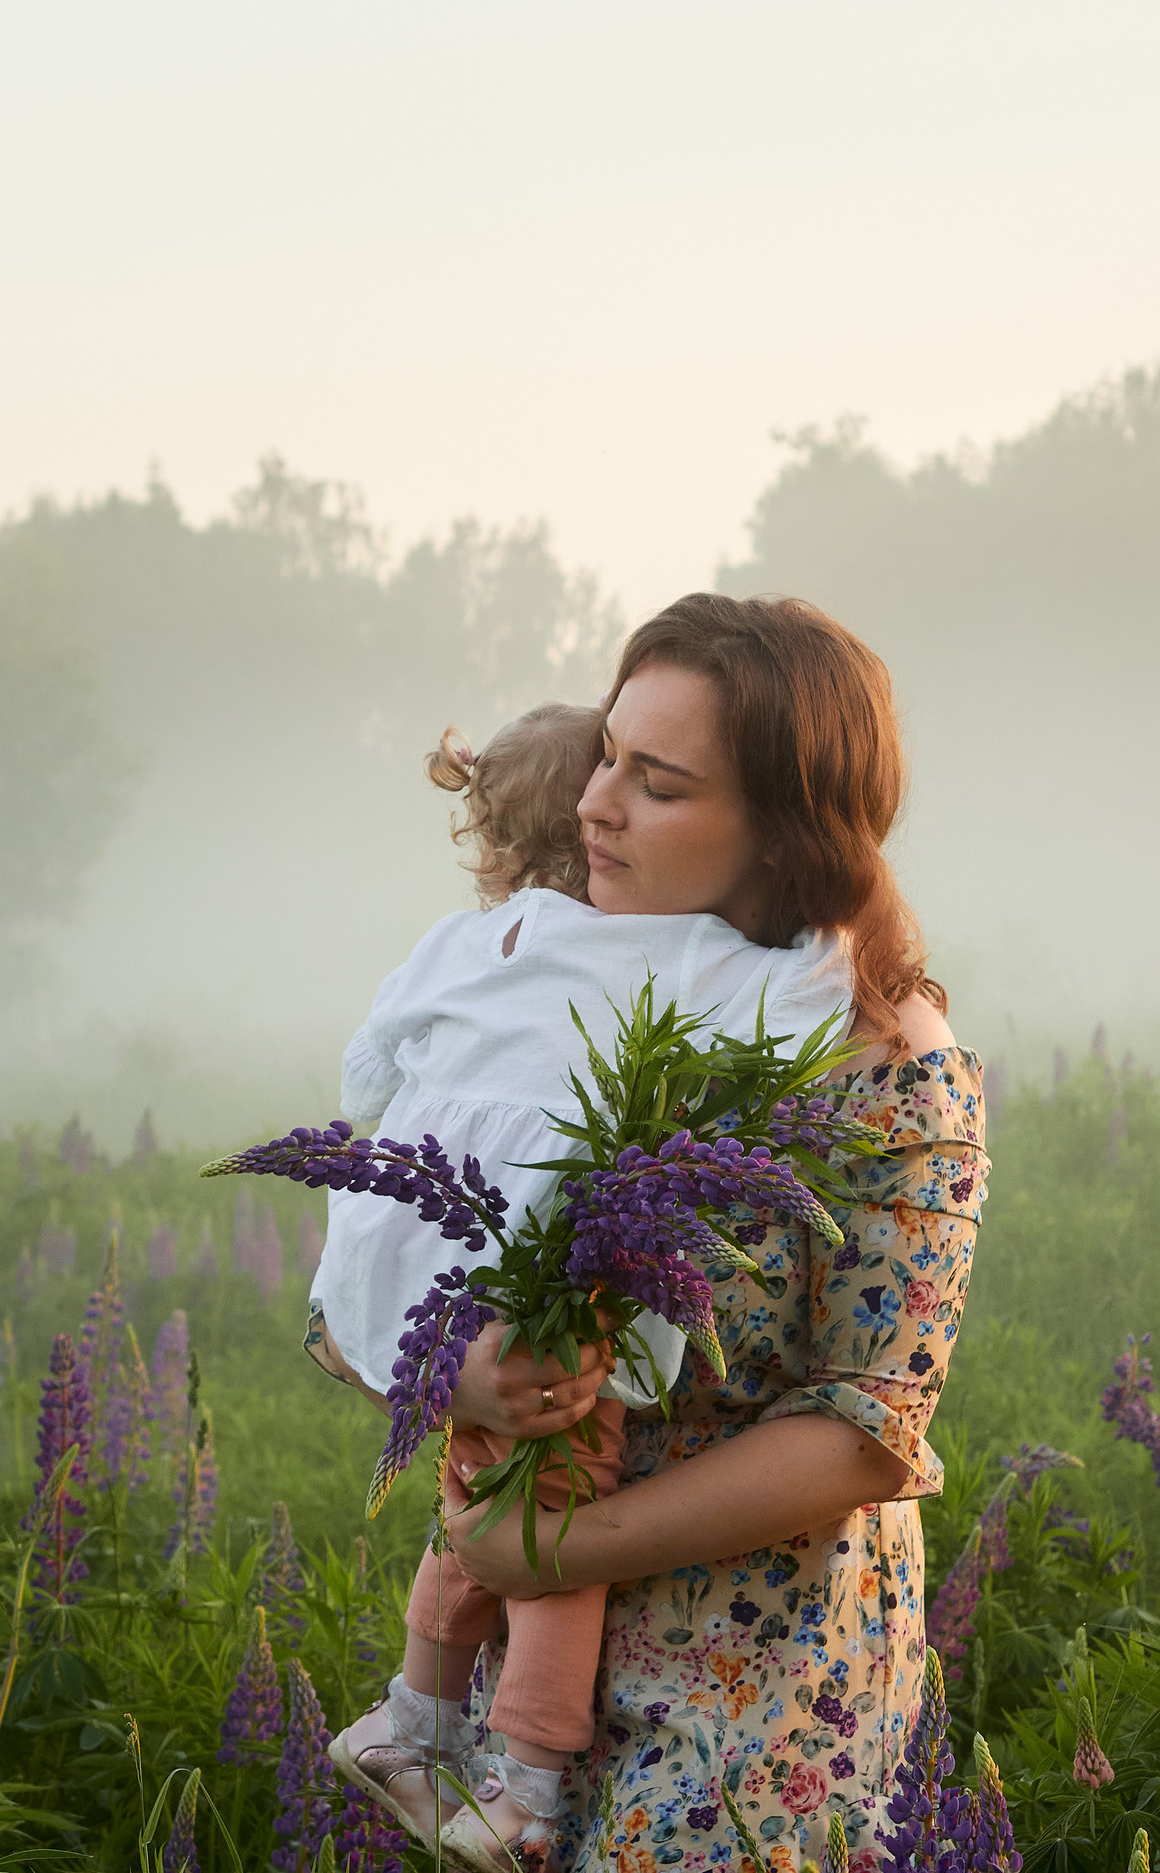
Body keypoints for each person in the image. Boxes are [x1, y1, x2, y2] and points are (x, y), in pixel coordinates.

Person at [428, 595, 987, 1872]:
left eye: (657, 784)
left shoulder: (887, 1064)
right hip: (519, 1686)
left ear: (788, 835)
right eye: (607, 757)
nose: (594, 805)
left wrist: (555, 1541)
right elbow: (359, 1278)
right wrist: (469, 1374)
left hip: (761, 1692)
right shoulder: (556, 980)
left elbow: (868, 1428)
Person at [304, 698, 851, 1863]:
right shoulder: (687, 949)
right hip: (537, 1280)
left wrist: (422, 1102)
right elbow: (812, 981)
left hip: (413, 1255)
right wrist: (842, 926)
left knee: (483, 1488)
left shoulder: (462, 945)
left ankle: (413, 1718)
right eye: (613, 774)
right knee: (550, 1512)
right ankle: (528, 1781)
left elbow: (365, 1073)